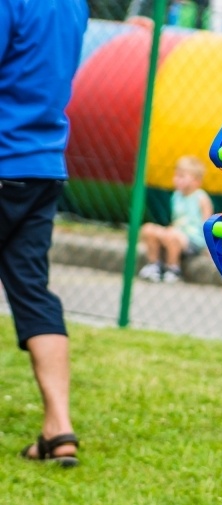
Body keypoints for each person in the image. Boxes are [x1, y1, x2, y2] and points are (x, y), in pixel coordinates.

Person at [0, 0, 88, 466]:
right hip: (42, 164)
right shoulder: (73, 4)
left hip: (3, 156)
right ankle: (59, 427)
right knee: (33, 293)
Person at [138, 155, 213, 283]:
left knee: (172, 234)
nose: (177, 179)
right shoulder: (176, 196)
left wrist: (211, 249)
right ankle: (154, 266)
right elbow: (177, 220)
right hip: (175, 234)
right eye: (176, 175)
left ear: (196, 181)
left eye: (182, 176)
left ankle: (173, 268)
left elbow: (209, 225)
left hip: (193, 240)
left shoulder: (201, 198)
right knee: (148, 229)